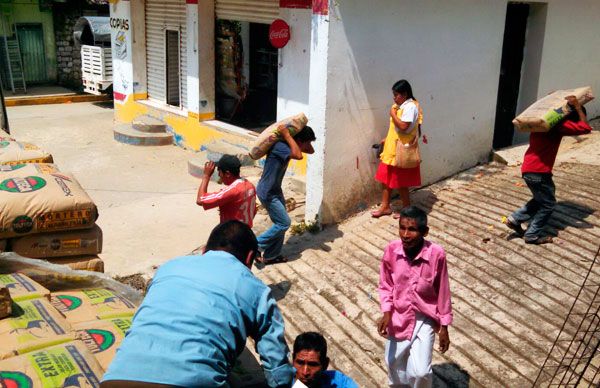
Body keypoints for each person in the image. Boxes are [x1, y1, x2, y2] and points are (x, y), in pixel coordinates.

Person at [101, 221, 294, 388]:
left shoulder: (169, 267)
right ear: (249, 258)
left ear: (204, 251)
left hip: (117, 378)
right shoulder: (256, 290)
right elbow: (276, 365)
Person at [377, 206, 453, 388]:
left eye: (412, 229)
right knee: (393, 364)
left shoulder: (437, 254)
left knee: (421, 372)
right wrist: (387, 312)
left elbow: (443, 291)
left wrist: (444, 326)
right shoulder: (391, 251)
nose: (405, 234)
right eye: (402, 228)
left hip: (425, 317)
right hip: (399, 314)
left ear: (424, 232)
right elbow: (385, 284)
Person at [504, 95, 592, 244]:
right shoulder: (557, 126)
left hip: (528, 169)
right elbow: (586, 128)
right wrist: (577, 107)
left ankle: (515, 219)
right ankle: (531, 235)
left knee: (541, 198)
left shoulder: (540, 124)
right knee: (548, 203)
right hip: (539, 172)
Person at [256, 125, 316, 264]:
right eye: (307, 142)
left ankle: (271, 255)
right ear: (299, 140)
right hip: (267, 192)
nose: (309, 145)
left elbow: (310, 151)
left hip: (275, 190)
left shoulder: (290, 145)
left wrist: (299, 140)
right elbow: (299, 155)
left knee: (280, 223)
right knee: (284, 223)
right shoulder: (280, 146)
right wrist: (288, 135)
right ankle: (255, 245)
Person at [372, 79, 423, 218]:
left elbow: (403, 127)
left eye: (396, 95)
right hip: (391, 148)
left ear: (405, 94)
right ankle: (385, 206)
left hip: (400, 151)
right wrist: (386, 138)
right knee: (385, 178)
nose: (394, 98)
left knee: (400, 182)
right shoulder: (401, 106)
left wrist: (392, 114)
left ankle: (406, 210)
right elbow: (396, 129)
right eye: (393, 95)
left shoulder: (410, 107)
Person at [196, 154, 257, 227]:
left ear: (227, 174)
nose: (219, 175)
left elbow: (200, 200)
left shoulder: (232, 190)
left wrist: (206, 176)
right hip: (246, 232)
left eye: (219, 172)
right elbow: (253, 211)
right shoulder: (250, 186)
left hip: (232, 234)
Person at [292, 332, 358, 388]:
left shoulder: (339, 381)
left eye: (312, 365)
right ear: (293, 360)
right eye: (300, 363)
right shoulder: (283, 382)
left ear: (325, 364)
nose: (305, 372)